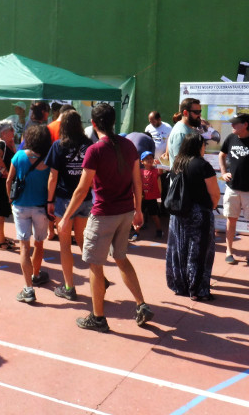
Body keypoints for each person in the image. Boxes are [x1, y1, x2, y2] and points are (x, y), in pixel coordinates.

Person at [61, 103, 153, 333]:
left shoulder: (95, 150)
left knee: (95, 264)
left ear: (93, 123)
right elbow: (137, 181)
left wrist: (65, 217)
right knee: (121, 257)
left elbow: (82, 190)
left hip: (103, 214)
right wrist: (139, 210)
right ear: (114, 122)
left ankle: (98, 317)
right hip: (125, 213)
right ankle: (141, 304)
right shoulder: (129, 145)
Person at [165, 133, 221, 300]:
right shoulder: (202, 165)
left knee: (179, 249)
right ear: (198, 146)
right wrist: (211, 206)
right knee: (199, 251)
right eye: (203, 145)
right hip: (199, 214)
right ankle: (197, 290)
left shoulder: (177, 163)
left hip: (179, 213)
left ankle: (179, 284)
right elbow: (215, 194)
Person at [45, 109, 93, 300]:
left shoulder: (58, 145)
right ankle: (98, 275)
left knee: (65, 245)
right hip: (85, 198)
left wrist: (49, 200)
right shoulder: (88, 144)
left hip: (65, 199)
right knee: (82, 240)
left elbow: (52, 176)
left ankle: (69, 287)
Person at [7, 124, 52, 303]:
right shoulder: (49, 159)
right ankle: (35, 274)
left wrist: (10, 199)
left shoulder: (18, 156)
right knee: (39, 244)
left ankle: (28, 289)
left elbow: (9, 180)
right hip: (41, 207)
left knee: (24, 246)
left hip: (21, 206)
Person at [218, 113, 249, 266]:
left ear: (245, 124)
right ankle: (229, 251)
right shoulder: (230, 138)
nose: (232, 126)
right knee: (231, 219)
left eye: (236, 123)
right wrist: (223, 172)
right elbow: (222, 155)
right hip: (232, 188)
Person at [0, 119, 17, 251]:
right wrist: (5, 170)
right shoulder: (1, 143)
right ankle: (0, 241)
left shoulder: (7, 143)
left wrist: (12, 144)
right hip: (1, 183)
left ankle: (1, 238)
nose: (14, 131)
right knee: (0, 211)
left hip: (5, 183)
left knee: (3, 210)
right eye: (11, 129)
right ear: (5, 132)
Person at [167, 98, 201, 162]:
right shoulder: (180, 133)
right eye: (196, 112)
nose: (199, 115)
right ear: (185, 113)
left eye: (200, 112)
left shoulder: (189, 129)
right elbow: (180, 162)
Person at [139, 151, 163, 238]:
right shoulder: (140, 171)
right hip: (142, 198)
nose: (149, 160)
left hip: (152, 198)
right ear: (142, 161)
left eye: (151, 158)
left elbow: (161, 172)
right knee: (139, 214)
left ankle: (159, 230)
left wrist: (159, 164)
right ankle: (136, 232)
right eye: (147, 158)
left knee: (154, 215)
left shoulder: (155, 170)